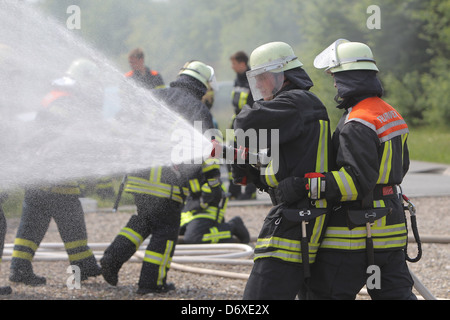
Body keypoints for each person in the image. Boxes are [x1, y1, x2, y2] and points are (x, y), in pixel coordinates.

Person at [277, 39, 416, 300]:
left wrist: (304, 185)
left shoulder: (358, 121)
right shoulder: (390, 114)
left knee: (322, 294)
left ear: (352, 78)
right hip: (391, 230)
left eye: (337, 77)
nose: (335, 85)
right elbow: (401, 167)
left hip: (354, 235)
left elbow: (355, 182)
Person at [100, 60, 222, 294]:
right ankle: (151, 283)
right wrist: (214, 184)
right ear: (202, 85)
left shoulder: (156, 96)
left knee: (143, 219)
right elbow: (208, 150)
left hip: (139, 175)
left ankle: (112, 259)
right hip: (167, 182)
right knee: (166, 230)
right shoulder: (197, 109)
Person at [232, 42, 332, 300]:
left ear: (281, 74)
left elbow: (245, 123)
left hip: (295, 217)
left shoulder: (294, 102)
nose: (261, 86)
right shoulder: (299, 105)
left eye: (263, 77)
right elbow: (288, 159)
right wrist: (256, 169)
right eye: (257, 79)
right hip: (299, 211)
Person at [9, 58, 105, 286]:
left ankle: (19, 268)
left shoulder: (54, 96)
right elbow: (68, 136)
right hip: (55, 177)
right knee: (71, 218)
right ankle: (84, 264)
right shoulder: (67, 102)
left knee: (33, 223)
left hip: (38, 173)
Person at [179, 182, 250, 244]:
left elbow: (207, 194)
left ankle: (232, 226)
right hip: (186, 218)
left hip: (204, 214)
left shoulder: (204, 172)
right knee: (172, 234)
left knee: (194, 238)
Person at [227, 51, 256, 200]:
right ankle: (234, 191)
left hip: (248, 122)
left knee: (248, 156)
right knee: (231, 154)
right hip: (236, 120)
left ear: (242, 64)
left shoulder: (252, 80)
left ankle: (250, 191)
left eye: (234, 64)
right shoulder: (237, 80)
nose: (232, 67)